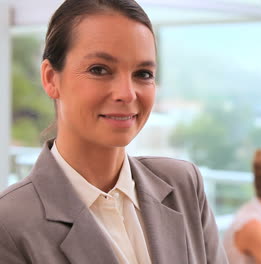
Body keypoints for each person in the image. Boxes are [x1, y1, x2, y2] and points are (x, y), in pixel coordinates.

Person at [0, 0, 227, 263]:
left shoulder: (183, 185)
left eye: (143, 73)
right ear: (51, 78)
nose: (127, 94)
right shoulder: (9, 223)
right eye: (99, 69)